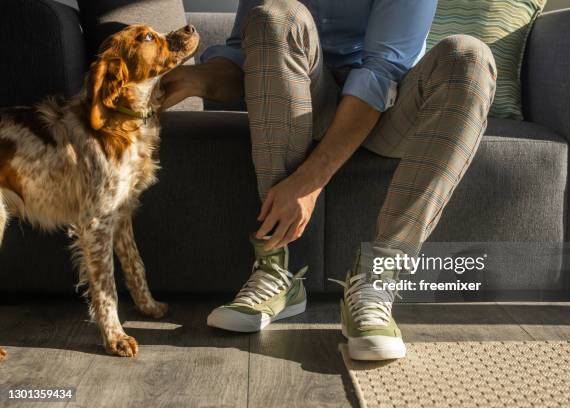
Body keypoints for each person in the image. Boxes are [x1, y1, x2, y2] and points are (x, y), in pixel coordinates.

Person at [162, 0, 496, 361]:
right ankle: (275, 270)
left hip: (390, 111)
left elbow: (382, 72)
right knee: (275, 16)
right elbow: (245, 58)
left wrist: (308, 182)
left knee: (470, 57)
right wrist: (197, 80)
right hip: (305, 99)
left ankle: (377, 278)